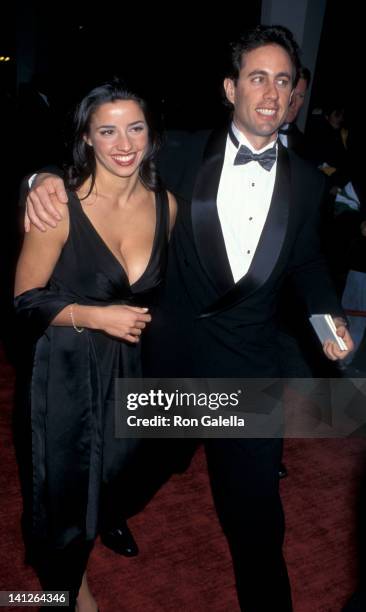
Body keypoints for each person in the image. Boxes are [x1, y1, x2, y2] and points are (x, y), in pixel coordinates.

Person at [25, 26, 353, 612]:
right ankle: (104, 524)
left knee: (257, 518)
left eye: (284, 81)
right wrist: (38, 179)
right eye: (258, 77)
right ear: (231, 88)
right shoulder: (173, 151)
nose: (272, 93)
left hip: (247, 372)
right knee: (128, 472)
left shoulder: (306, 183)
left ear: (296, 94)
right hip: (167, 361)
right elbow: (102, 159)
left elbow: (308, 263)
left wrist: (329, 323)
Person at [14, 80, 176, 611]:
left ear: (151, 136)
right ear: (87, 138)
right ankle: (68, 587)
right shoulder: (59, 204)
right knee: (65, 490)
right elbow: (24, 300)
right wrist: (96, 315)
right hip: (66, 367)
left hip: (131, 365)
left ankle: (89, 534)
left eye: (135, 128)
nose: (123, 143)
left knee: (123, 475)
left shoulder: (165, 205)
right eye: (107, 130)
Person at [278, 66, 311, 158]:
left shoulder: (303, 143)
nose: (293, 102)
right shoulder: (256, 129)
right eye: (290, 92)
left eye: (300, 96)